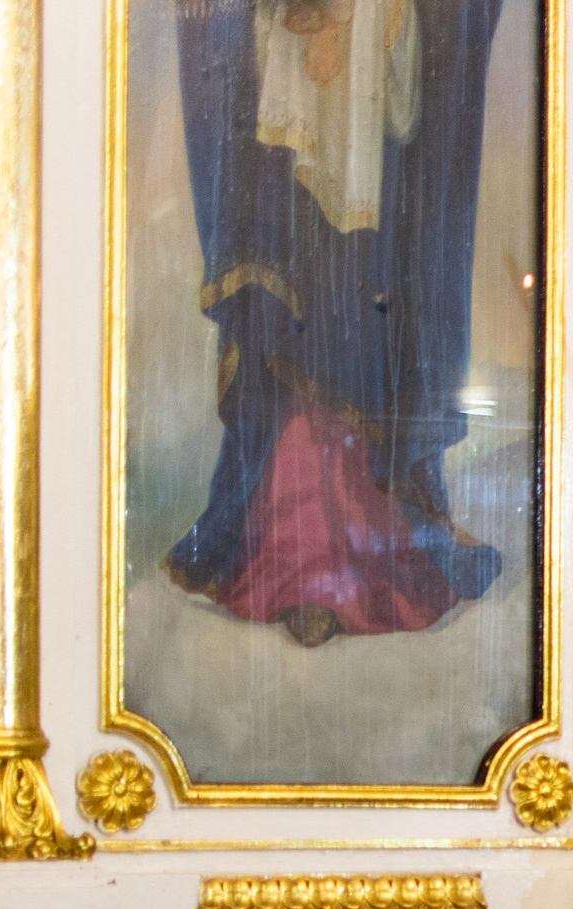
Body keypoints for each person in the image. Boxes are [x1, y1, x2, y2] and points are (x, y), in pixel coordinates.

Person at [163, 0, 510, 646]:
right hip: (291, 104)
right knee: (298, 305)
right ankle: (295, 567)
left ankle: (369, 561)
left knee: (359, 307)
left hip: (368, 110)